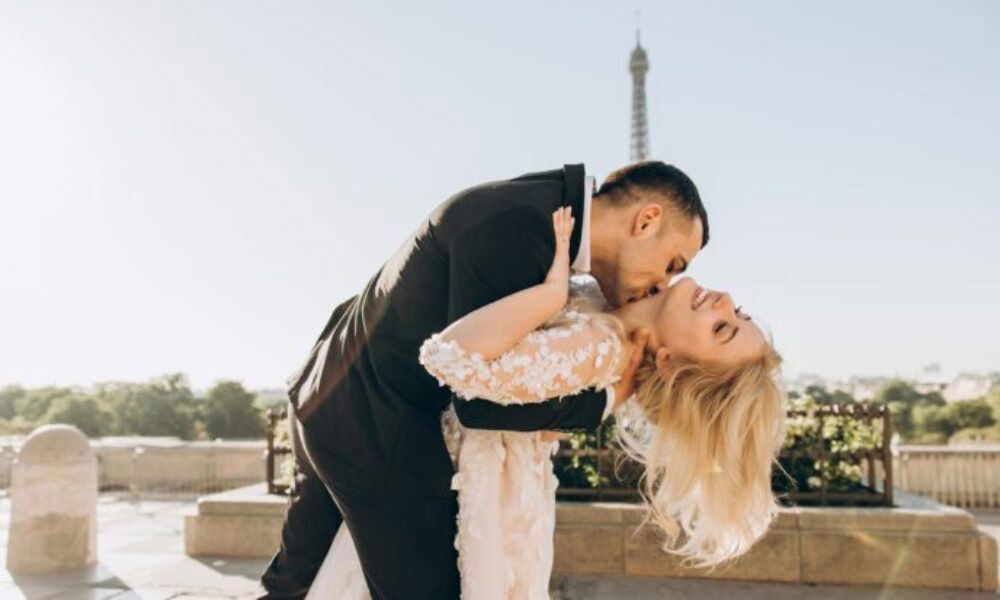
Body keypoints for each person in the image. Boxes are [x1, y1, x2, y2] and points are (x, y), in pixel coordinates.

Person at [260, 162, 710, 600]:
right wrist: (605, 401)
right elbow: (479, 403)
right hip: (374, 426)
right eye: (672, 264)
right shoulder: (520, 228)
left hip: (327, 391)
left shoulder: (539, 210)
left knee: (294, 583)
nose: (662, 284)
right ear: (647, 220)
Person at [304, 207, 787, 598]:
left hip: (426, 469)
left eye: (722, 330)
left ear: (670, 363)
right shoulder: (607, 313)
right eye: (739, 313)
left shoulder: (602, 347)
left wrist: (550, 293)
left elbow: (452, 357)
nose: (724, 301)